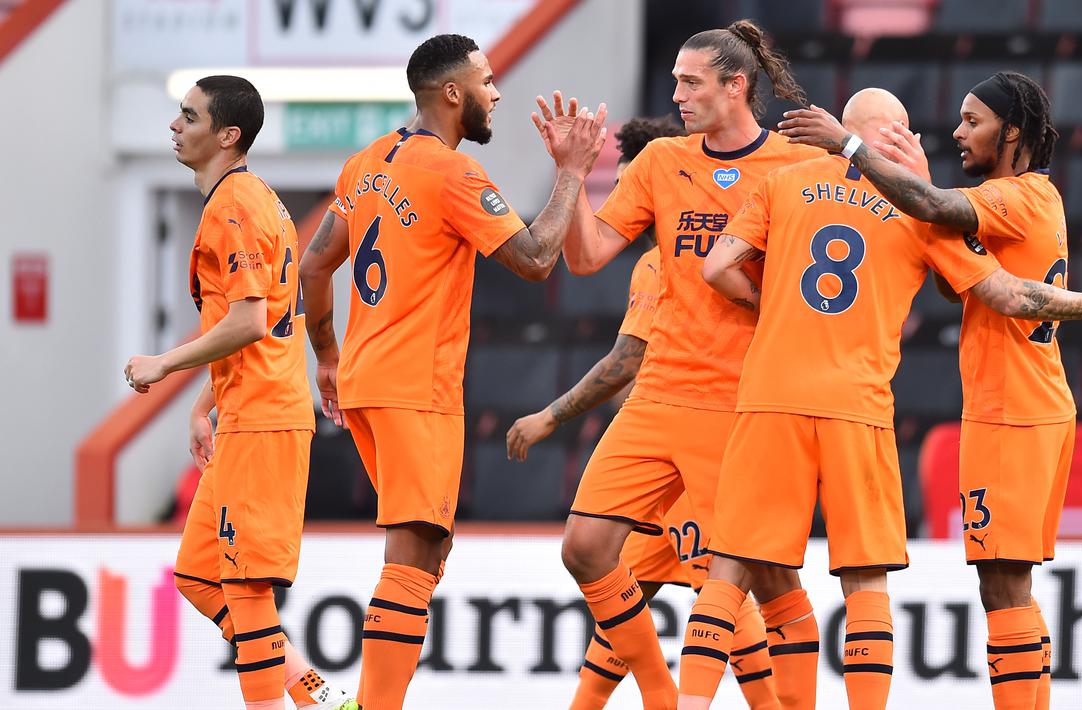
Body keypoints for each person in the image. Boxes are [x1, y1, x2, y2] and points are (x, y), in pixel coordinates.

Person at [683, 87, 1082, 710]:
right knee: (874, 579)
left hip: (784, 395)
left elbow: (715, 270)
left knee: (732, 566)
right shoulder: (924, 216)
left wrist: (776, 311)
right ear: (896, 136)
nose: (953, 134)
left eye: (970, 121)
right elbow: (985, 286)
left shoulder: (786, 184)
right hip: (873, 405)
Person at [296, 34, 606, 710]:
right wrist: (571, 171)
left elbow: (314, 265)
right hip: (416, 390)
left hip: (368, 382)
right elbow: (535, 258)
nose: (496, 93)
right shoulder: (451, 173)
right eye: (487, 81)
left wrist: (326, 357)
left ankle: (373, 700)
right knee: (412, 555)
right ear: (452, 93)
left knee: (427, 553)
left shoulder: (367, 163)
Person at [532, 20, 818, 709]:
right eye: (676, 82)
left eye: (690, 82)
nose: (678, 94)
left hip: (740, 402)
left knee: (761, 581)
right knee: (584, 547)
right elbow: (586, 255)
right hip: (660, 394)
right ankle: (662, 698)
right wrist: (570, 175)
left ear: (734, 85)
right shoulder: (662, 161)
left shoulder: (796, 168)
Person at [506, 115, 778, 709]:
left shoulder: (689, 255)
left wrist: (549, 418)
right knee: (628, 585)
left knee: (722, 583)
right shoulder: (652, 265)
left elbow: (626, 359)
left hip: (712, 427)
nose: (638, 206)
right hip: (660, 444)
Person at [123, 76, 356, 710]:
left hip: (266, 422)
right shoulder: (244, 198)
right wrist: (205, 406)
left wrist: (165, 365)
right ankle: (318, 695)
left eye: (189, 116)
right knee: (199, 576)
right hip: (246, 415)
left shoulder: (235, 205)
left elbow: (253, 320)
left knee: (247, 587)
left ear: (228, 136)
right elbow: (257, 322)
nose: (176, 126)